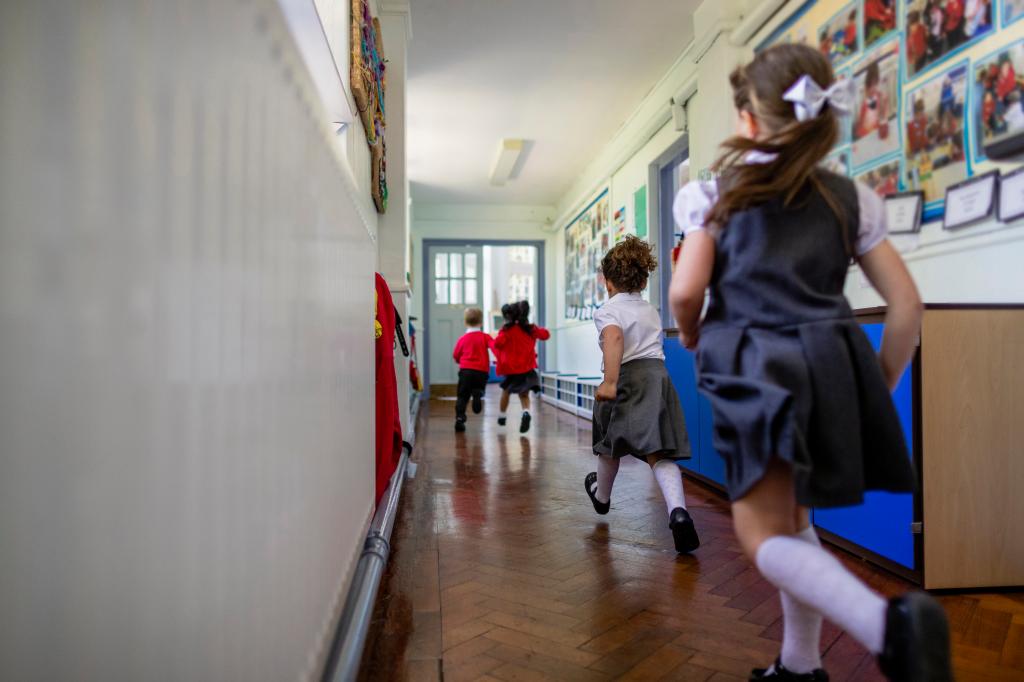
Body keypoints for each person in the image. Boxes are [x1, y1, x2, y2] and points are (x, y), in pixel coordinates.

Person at [669, 44, 950, 681]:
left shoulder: (713, 195)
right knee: (794, 522)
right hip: (832, 363)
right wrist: (875, 382)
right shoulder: (852, 198)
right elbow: (905, 305)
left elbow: (686, 291)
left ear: (748, 118)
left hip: (754, 368)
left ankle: (891, 628)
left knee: (761, 537)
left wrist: (691, 335)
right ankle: (799, 666)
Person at [583, 236, 700, 555]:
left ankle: (602, 497)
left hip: (626, 379)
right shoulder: (650, 309)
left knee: (610, 447)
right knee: (660, 453)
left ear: (606, 282)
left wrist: (610, 381)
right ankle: (678, 512)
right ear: (643, 279)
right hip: (657, 378)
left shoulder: (608, 310)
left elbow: (614, 338)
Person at [493, 301, 549, 433]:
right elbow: (545, 335)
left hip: (511, 370)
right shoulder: (530, 329)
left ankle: (502, 416)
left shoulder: (506, 330)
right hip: (527, 368)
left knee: (505, 392)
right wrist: (537, 329)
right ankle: (526, 413)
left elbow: (498, 344)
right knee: (524, 395)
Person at [451, 307, 493, 433]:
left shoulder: (462, 339)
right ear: (481, 322)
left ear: (465, 322)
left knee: (462, 396)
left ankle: (460, 418)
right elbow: (495, 346)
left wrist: (460, 362)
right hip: (481, 371)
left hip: (466, 371)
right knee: (478, 387)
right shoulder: (485, 337)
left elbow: (456, 355)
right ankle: (478, 393)